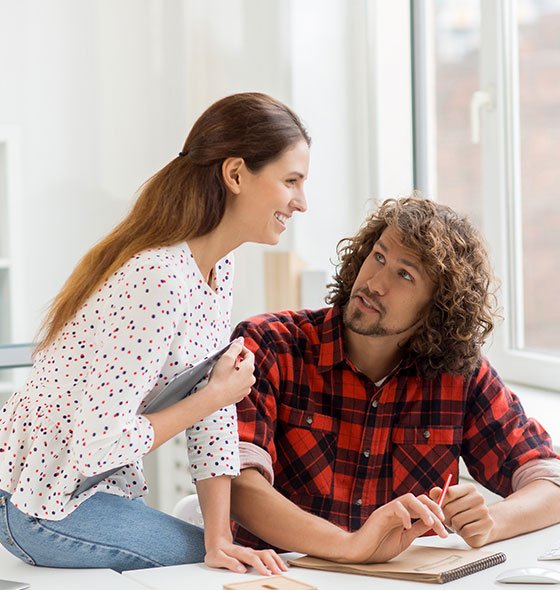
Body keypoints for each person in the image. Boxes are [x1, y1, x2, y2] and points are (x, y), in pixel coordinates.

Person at [0, 92, 311, 574]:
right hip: (38, 503)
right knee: (219, 571)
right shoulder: (158, 278)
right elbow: (101, 443)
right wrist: (215, 396)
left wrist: (219, 536)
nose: (302, 203)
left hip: (89, 495)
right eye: (291, 181)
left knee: (228, 556)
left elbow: (213, 411)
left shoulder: (217, 269)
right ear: (235, 175)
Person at [229, 196, 560, 563]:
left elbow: (550, 481)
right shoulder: (271, 344)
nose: (374, 283)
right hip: (279, 578)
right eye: (379, 256)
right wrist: (350, 546)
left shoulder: (461, 376)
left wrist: (491, 521)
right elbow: (236, 484)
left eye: (405, 275)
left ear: (438, 307)